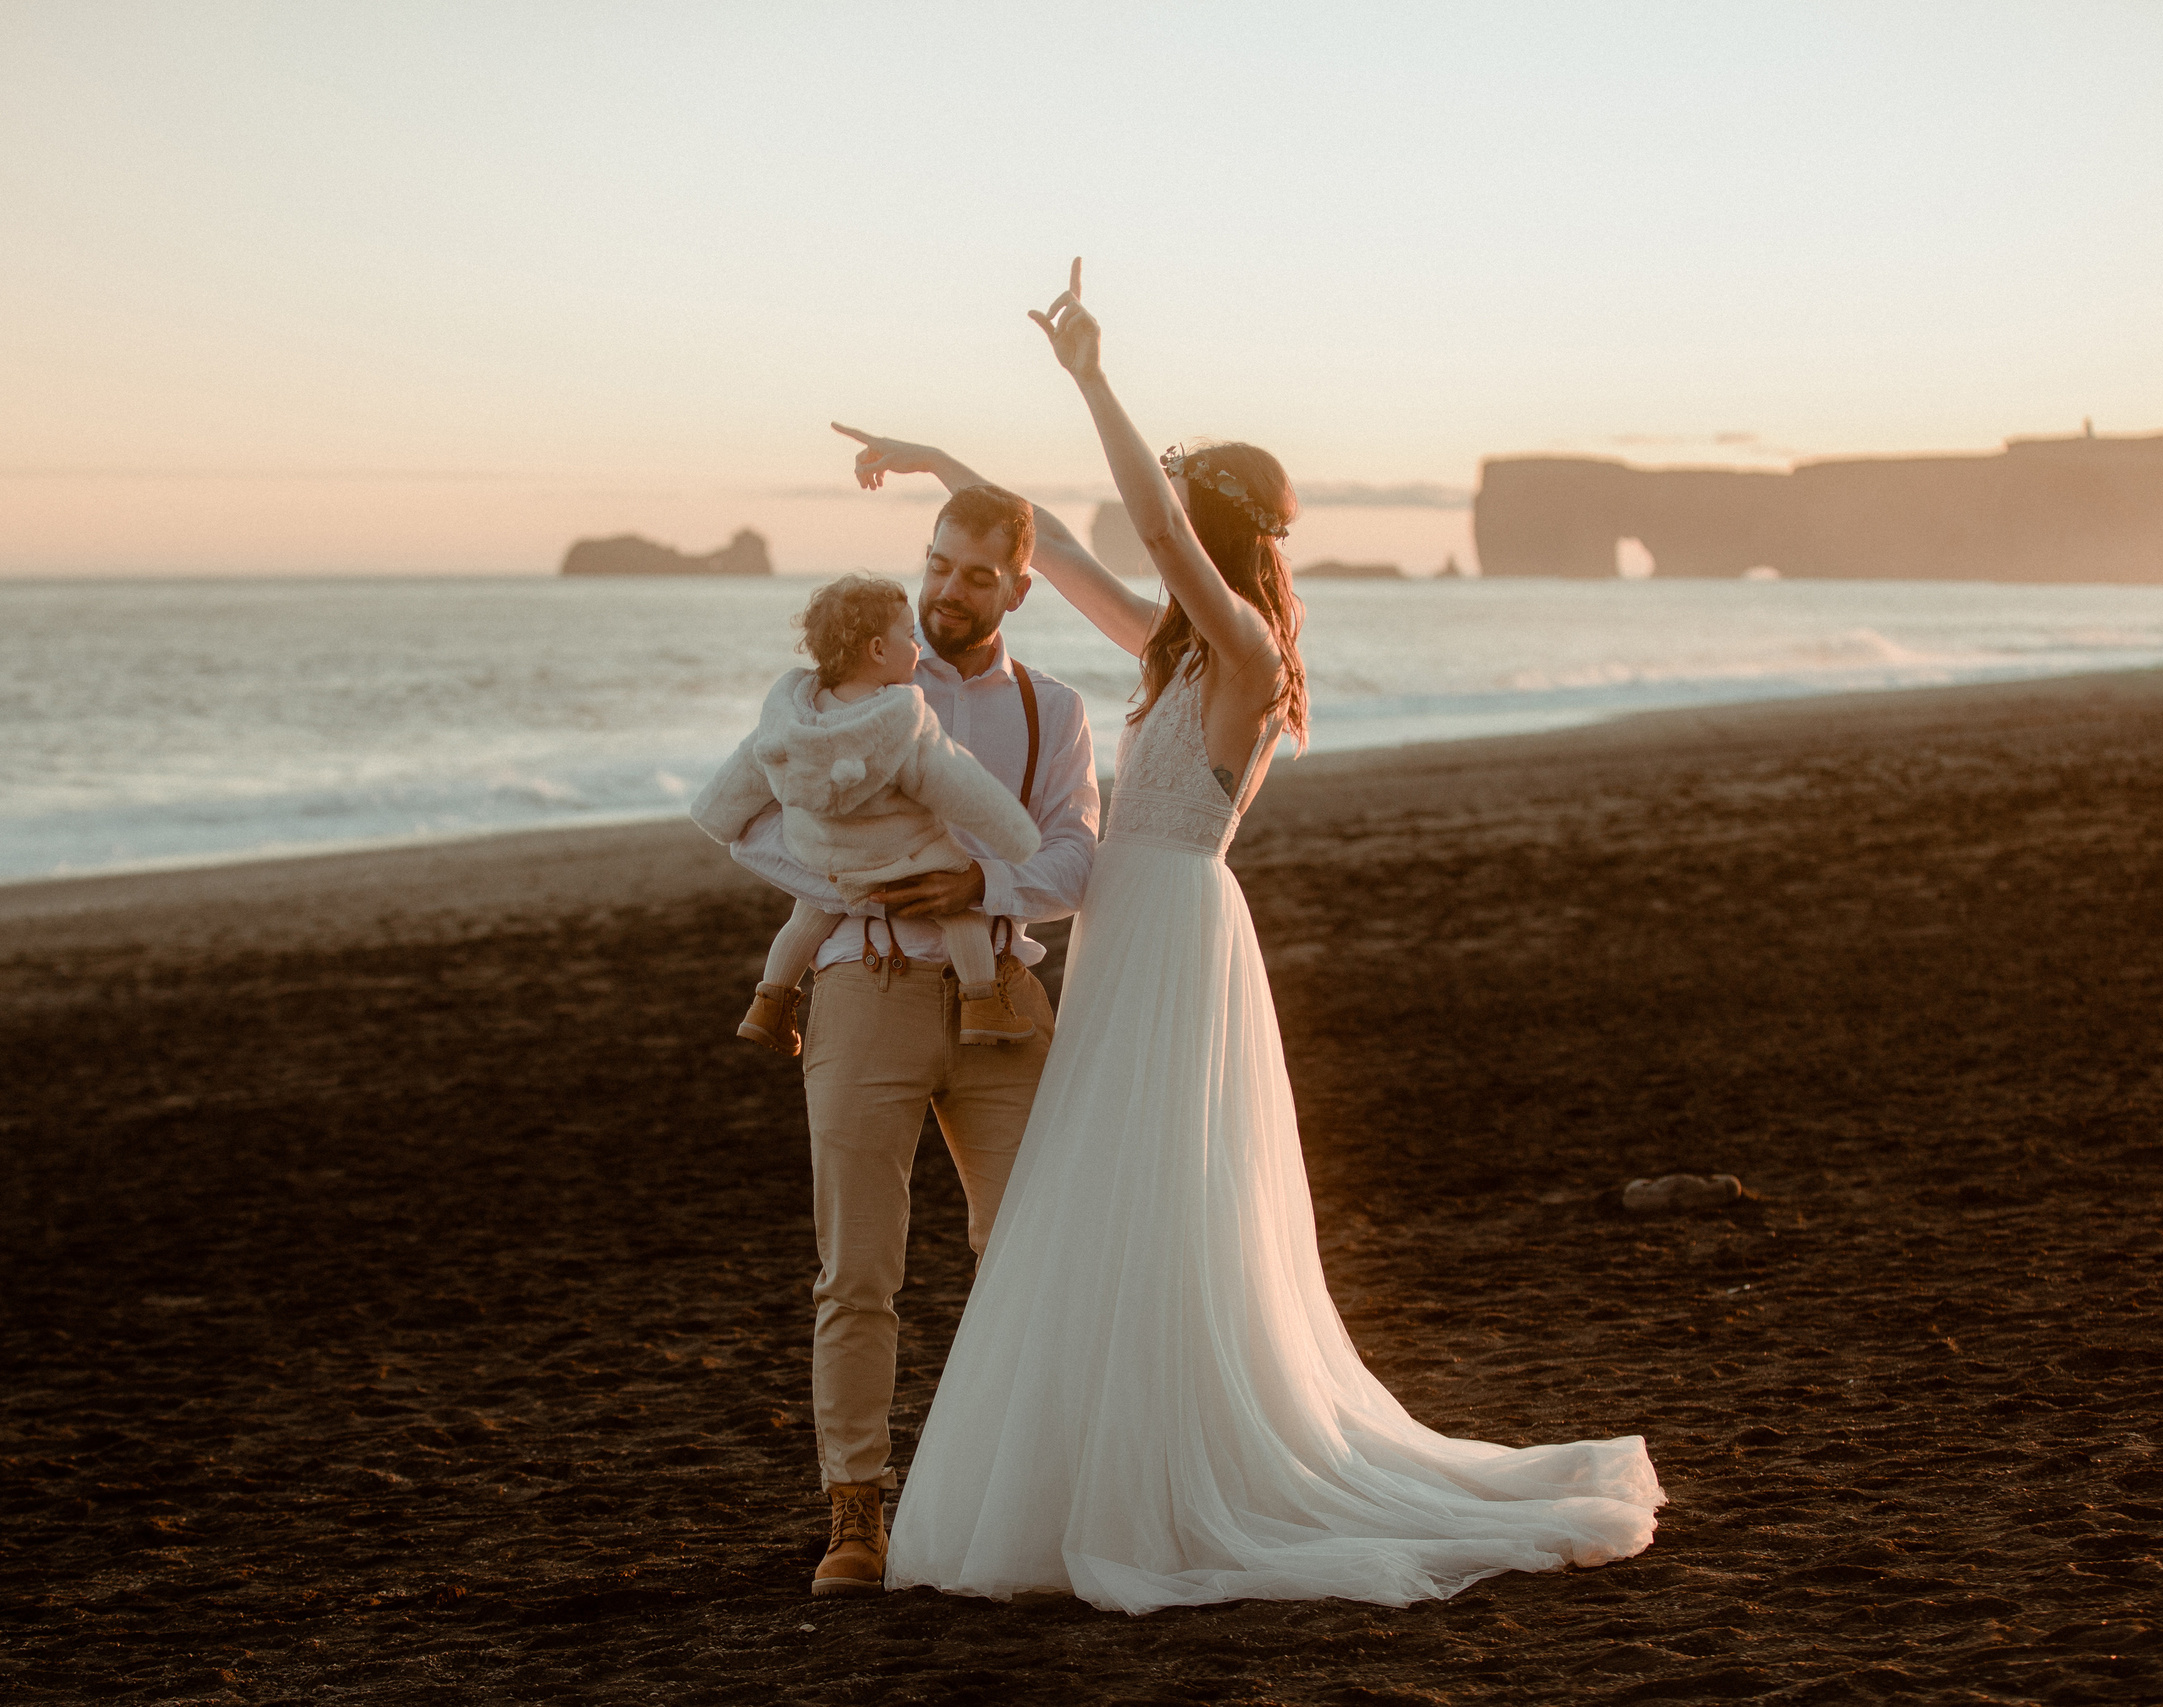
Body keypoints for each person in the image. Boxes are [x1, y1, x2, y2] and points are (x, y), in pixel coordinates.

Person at [873, 262, 1667, 1613]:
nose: (1162, 531)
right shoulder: (1180, 650)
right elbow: (1061, 546)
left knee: (1152, 1193)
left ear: (1212, 527)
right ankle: (1097, 1465)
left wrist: (1089, 374)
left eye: (1182, 514)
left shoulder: (1240, 646)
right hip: (1134, 923)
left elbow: (1141, 527)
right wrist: (952, 463)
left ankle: (1173, 1475)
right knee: (1111, 1193)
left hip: (1177, 926)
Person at [720, 483, 1100, 1596]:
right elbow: (741, 821)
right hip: (861, 986)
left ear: (1018, 588)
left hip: (1003, 1005)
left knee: (1030, 1256)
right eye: (937, 563)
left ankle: (1020, 1494)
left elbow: (1075, 861)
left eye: (976, 573)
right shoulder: (840, 690)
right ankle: (855, 1513)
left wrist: (977, 884)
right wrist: (858, 886)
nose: (946, 588)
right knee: (857, 1275)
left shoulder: (1056, 709)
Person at [690, 573, 1043, 1050]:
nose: (918, 647)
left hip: (824, 858)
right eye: (909, 636)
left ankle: (770, 1002)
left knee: (808, 915)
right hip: (903, 860)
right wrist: (1017, 839)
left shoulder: (791, 716)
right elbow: (961, 784)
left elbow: (744, 775)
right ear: (879, 651)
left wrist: (715, 815)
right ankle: (982, 1005)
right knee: (961, 913)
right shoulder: (900, 722)